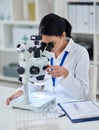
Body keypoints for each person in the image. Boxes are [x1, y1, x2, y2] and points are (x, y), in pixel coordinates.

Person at [6, 13, 89, 105]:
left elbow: (82, 94)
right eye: (44, 43)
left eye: (51, 43)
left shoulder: (80, 53)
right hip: (48, 102)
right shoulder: (43, 52)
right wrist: (22, 91)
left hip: (70, 105)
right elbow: (36, 79)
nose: (47, 47)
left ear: (63, 35)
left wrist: (66, 75)